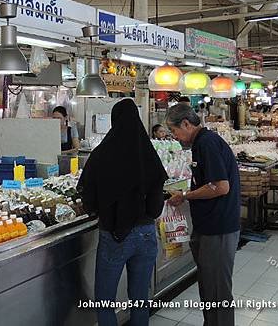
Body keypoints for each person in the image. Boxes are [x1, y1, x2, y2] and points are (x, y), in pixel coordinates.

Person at [77, 99, 167, 326]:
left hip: (114, 235)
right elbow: (156, 207)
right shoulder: (149, 155)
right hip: (146, 235)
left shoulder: (101, 155)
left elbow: (88, 197)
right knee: (140, 300)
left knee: (105, 301)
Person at [165, 104, 240, 326]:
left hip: (218, 229)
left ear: (186, 124)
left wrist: (187, 195)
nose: (174, 136)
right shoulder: (200, 144)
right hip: (210, 226)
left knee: (217, 290)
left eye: (174, 131)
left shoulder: (207, 144)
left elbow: (221, 186)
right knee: (209, 287)